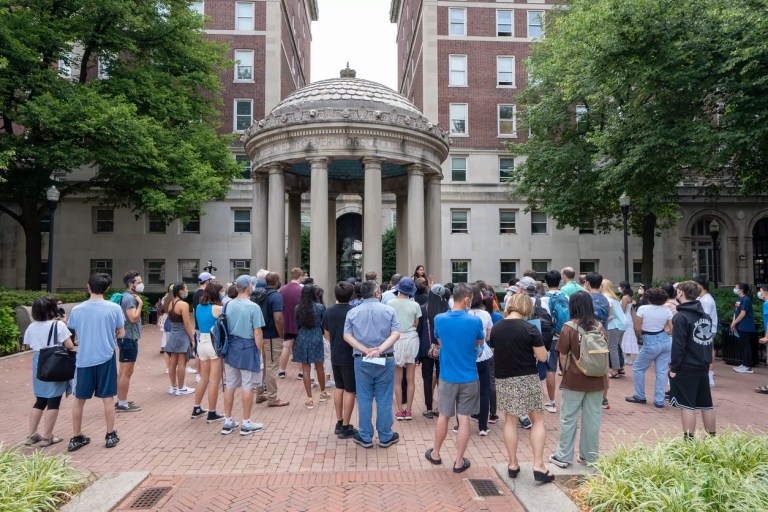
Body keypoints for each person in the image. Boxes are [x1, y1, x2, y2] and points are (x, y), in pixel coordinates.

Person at [488, 293, 553, 482]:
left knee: (510, 420)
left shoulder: (497, 328)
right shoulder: (530, 328)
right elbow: (542, 357)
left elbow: (495, 350)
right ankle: (538, 465)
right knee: (537, 420)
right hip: (527, 377)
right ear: (526, 307)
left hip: (504, 378)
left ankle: (512, 463)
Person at [424, 283, 483, 473]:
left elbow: (440, 342)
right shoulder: (475, 321)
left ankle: (436, 453)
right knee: (464, 418)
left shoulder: (440, 319)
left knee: (444, 415)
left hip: (447, 375)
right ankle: (458, 461)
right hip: (469, 375)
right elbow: (480, 342)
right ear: (466, 299)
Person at [67, 273, 125, 451]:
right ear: (107, 288)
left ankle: (76, 437)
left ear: (88, 286)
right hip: (106, 356)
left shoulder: (77, 310)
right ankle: (110, 435)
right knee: (108, 398)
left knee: (79, 399)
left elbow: (72, 332)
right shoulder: (114, 308)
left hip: (84, 358)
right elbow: (122, 333)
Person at [550, 291, 608, 468]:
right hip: (598, 379)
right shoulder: (599, 326)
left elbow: (562, 355)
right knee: (593, 420)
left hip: (574, 380)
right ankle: (589, 457)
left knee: (568, 418)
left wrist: (565, 372)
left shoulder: (569, 327)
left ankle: (563, 456)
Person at [343, 280, 401, 449]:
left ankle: (365, 435)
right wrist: (380, 349)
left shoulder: (353, 312)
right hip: (385, 358)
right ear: (377, 293)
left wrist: (365, 350)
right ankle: (385, 435)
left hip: (362, 358)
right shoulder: (389, 310)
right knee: (384, 398)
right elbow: (396, 333)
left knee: (364, 398)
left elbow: (347, 336)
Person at [24, 297, 77, 447]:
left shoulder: (31, 326)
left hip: (38, 363)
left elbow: (29, 344)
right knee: (54, 401)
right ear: (52, 310)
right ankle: (47, 437)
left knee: (40, 400)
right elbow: (70, 346)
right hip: (55, 363)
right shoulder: (58, 325)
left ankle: (32, 434)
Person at [668, 281, 716, 437]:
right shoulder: (705, 316)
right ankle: (712, 438)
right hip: (702, 364)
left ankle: (689, 441)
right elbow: (708, 342)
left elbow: (678, 346)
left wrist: (674, 368)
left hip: (687, 365)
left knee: (687, 405)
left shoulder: (680, 317)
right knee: (706, 404)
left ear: (681, 293)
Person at [220, 275, 265, 435]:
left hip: (231, 347)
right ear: (249, 287)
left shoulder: (227, 304)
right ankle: (246, 423)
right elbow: (257, 332)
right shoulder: (253, 307)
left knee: (230, 385)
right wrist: (259, 351)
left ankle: (228, 421)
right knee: (248, 385)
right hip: (248, 347)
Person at [626, 288, 673, 408]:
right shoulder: (667, 310)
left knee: (638, 367)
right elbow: (672, 329)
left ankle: (640, 396)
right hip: (664, 340)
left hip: (649, 338)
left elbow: (637, 327)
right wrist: (664, 332)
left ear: (649, 298)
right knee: (662, 371)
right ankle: (659, 400)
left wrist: (644, 335)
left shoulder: (643, 308)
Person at [323, 281, 357, 439]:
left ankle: (339, 421)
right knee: (350, 389)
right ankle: (345, 426)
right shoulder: (353, 311)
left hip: (335, 352)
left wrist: (334, 342)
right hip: (350, 354)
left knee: (339, 387)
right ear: (351, 295)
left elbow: (326, 331)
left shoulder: (329, 310)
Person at [254, 272, 290, 407]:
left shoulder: (259, 294)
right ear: (276, 281)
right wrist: (281, 334)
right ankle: (273, 398)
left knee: (261, 366)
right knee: (272, 367)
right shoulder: (276, 296)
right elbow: (278, 318)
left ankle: (259, 394)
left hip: (259, 334)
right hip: (272, 336)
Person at [389, 277, 422, 421]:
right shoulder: (415, 305)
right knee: (410, 378)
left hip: (396, 339)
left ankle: (399, 410)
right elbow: (416, 324)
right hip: (411, 339)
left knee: (397, 379)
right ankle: (408, 410)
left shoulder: (390, 304)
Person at [193, 281, 225, 423]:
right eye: (221, 291)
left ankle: (197, 408)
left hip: (202, 342)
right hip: (213, 344)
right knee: (214, 381)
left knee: (204, 378)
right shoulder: (218, 308)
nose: (222, 293)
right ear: (216, 293)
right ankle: (212, 412)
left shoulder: (199, 307)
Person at [294, 285, 331, 409]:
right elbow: (324, 324)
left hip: (303, 336)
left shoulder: (297, 308)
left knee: (306, 368)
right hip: (316, 335)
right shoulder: (320, 307)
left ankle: (309, 398)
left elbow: (297, 325)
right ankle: (323, 392)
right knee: (319, 366)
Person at [468, 285, 494, 436]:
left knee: (464, 389)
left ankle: (460, 424)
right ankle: (483, 426)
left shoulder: (464, 314)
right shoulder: (485, 314)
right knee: (484, 389)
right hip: (483, 354)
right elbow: (488, 336)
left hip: (466, 355)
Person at [116, 271, 144, 412]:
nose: (141, 284)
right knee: (126, 372)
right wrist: (140, 305)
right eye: (138, 282)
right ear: (130, 284)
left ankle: (121, 399)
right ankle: (122, 403)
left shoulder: (127, 297)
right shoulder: (129, 299)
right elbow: (133, 318)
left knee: (123, 371)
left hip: (126, 338)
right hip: (129, 338)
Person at [420, 284, 449, 418]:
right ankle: (441, 407)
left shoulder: (423, 309)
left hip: (427, 346)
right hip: (443, 347)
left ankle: (429, 408)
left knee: (427, 378)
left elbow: (420, 330)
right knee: (441, 377)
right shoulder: (447, 309)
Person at [544, 270, 568, 414]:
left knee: (550, 369)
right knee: (566, 368)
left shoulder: (543, 299)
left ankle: (552, 402)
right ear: (560, 281)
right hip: (566, 335)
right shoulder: (566, 297)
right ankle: (569, 401)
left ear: (546, 282)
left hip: (551, 338)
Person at [165, 283, 196, 396]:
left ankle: (174, 386)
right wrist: (192, 339)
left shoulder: (171, 303)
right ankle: (181, 388)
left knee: (173, 361)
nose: (187, 290)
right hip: (182, 335)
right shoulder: (183, 304)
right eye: (186, 289)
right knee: (182, 362)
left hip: (173, 334)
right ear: (181, 291)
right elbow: (187, 324)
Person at [693, 276, 718, 387]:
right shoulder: (702, 298)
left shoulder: (706, 300)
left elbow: (705, 318)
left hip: (706, 329)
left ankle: (709, 376)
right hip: (704, 329)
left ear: (700, 286)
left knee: (708, 351)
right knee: (708, 351)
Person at [279, 267, 304, 379]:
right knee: (299, 348)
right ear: (300, 276)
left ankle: (282, 371)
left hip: (286, 322)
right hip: (299, 323)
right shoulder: (301, 290)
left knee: (286, 347)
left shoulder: (282, 289)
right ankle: (301, 372)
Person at [602, 279, 627, 379]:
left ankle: (615, 370)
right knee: (618, 347)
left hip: (613, 325)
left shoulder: (605, 297)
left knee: (612, 348)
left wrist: (606, 317)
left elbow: (609, 307)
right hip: (622, 324)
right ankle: (620, 367)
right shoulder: (614, 298)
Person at [731, 283, 757, 374]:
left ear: (741, 290)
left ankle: (747, 366)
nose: (734, 289)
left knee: (746, 346)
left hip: (745, 326)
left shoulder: (746, 299)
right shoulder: (739, 299)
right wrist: (733, 323)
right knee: (743, 345)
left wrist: (734, 323)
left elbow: (742, 314)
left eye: (736, 287)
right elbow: (736, 312)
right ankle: (744, 364)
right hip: (740, 325)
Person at [619, 282, 638, 365]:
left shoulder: (624, 297)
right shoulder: (629, 297)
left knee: (624, 337)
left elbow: (622, 310)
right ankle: (628, 357)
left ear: (623, 288)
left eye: (620, 287)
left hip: (625, 318)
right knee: (627, 337)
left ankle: (626, 357)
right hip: (629, 318)